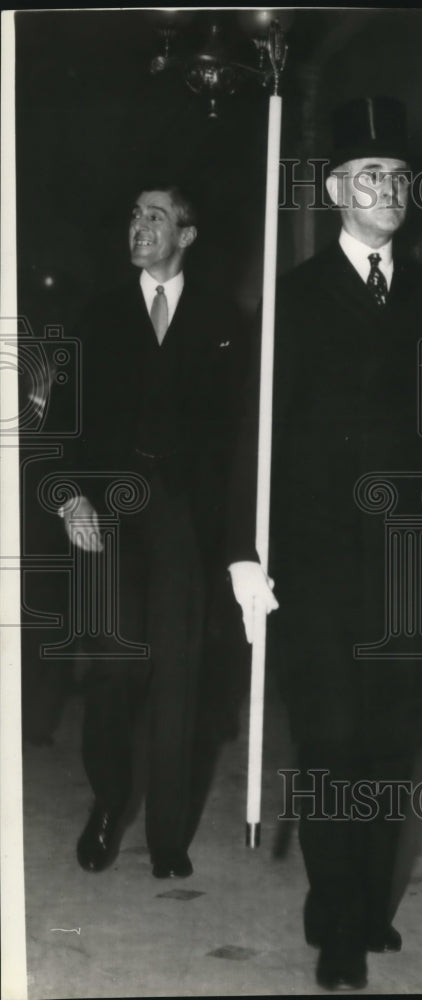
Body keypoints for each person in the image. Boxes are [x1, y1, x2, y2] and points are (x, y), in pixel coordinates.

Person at [227, 97, 422, 990]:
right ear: (333, 191)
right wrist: (245, 552)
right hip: (315, 559)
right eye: (368, 175)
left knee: (394, 739)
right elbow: (253, 430)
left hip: (406, 554)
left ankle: (367, 900)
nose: (387, 189)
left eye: (398, 176)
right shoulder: (293, 300)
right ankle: (337, 919)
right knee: (329, 736)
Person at [60, 184, 248, 879]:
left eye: (156, 216)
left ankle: (169, 836)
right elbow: (60, 424)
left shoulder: (224, 319)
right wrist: (69, 497)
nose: (139, 226)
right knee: (113, 669)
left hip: (184, 522)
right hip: (107, 514)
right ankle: (110, 805)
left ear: (187, 235)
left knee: (180, 677)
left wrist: (236, 543)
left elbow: (238, 440)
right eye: (134, 215)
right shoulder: (99, 314)